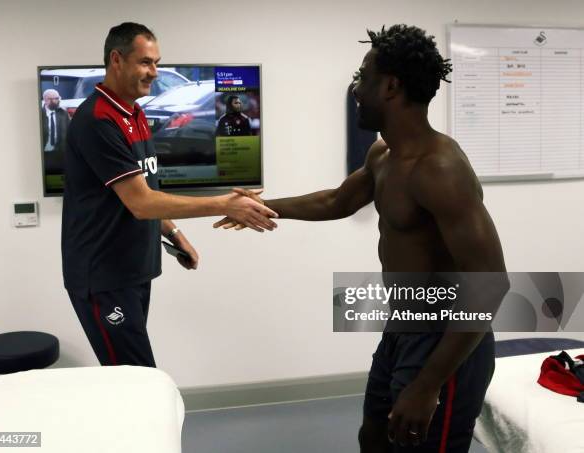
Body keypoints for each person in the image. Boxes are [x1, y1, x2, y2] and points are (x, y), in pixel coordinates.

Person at [215, 25, 509, 452]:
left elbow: (491, 284)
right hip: (403, 326)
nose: (356, 87)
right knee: (374, 439)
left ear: (391, 86)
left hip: (445, 343)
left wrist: (429, 385)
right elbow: (337, 200)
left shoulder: (439, 168)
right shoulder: (383, 153)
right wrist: (255, 207)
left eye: (364, 75)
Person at [62, 22, 277, 368]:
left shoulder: (136, 112)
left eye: (157, 62)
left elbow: (148, 190)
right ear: (116, 60)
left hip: (133, 270)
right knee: (134, 380)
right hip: (103, 277)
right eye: (146, 62)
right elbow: (141, 203)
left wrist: (175, 234)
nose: (155, 73)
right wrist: (224, 203)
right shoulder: (98, 119)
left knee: (132, 376)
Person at [41, 89, 70, 153]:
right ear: (46, 100)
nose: (56, 101)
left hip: (61, 151)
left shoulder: (63, 113)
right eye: (52, 99)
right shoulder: (39, 115)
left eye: (57, 98)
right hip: (44, 152)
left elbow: (70, 131)